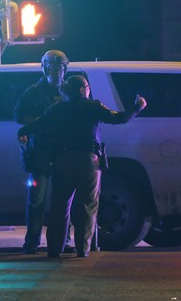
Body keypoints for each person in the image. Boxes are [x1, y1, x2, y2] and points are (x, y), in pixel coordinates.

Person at [18, 75, 147, 258]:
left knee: (60, 206)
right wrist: (137, 107)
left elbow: (39, 124)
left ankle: (54, 248)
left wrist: (23, 131)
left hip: (62, 160)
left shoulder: (58, 108)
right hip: (88, 162)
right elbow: (119, 118)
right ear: (82, 90)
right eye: (87, 86)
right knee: (88, 205)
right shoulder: (93, 106)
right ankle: (82, 249)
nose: (89, 89)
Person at [13, 49, 74, 254]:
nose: (57, 72)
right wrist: (42, 121)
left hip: (63, 154)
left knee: (62, 201)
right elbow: (19, 116)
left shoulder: (69, 92)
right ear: (44, 67)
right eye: (53, 67)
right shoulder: (33, 92)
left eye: (60, 67)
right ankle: (32, 242)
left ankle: (62, 241)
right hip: (39, 154)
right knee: (36, 201)